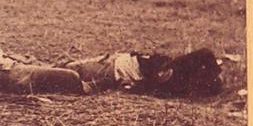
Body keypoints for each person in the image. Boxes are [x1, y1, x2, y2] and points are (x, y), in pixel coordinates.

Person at [0, 47, 224, 101]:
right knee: (70, 72)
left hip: (122, 66)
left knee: (70, 71)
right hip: (123, 67)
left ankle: (211, 78)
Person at [60, 48, 224, 97]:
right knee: (70, 70)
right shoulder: (176, 74)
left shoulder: (175, 82)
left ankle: (44, 67)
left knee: (70, 70)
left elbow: (206, 53)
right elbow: (205, 53)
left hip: (114, 68)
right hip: (116, 65)